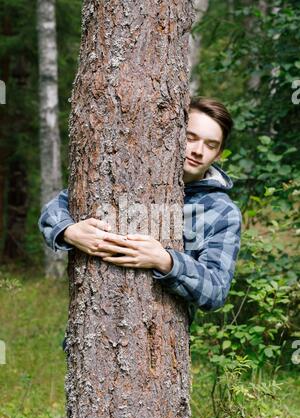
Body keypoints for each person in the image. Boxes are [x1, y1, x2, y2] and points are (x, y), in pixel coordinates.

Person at [38, 96, 242, 325]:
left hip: (159, 338)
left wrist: (166, 261)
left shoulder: (222, 211)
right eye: (190, 138)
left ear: (218, 154)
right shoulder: (134, 170)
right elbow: (57, 206)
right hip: (90, 332)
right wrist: (68, 231)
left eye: (210, 145)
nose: (198, 151)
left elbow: (216, 291)